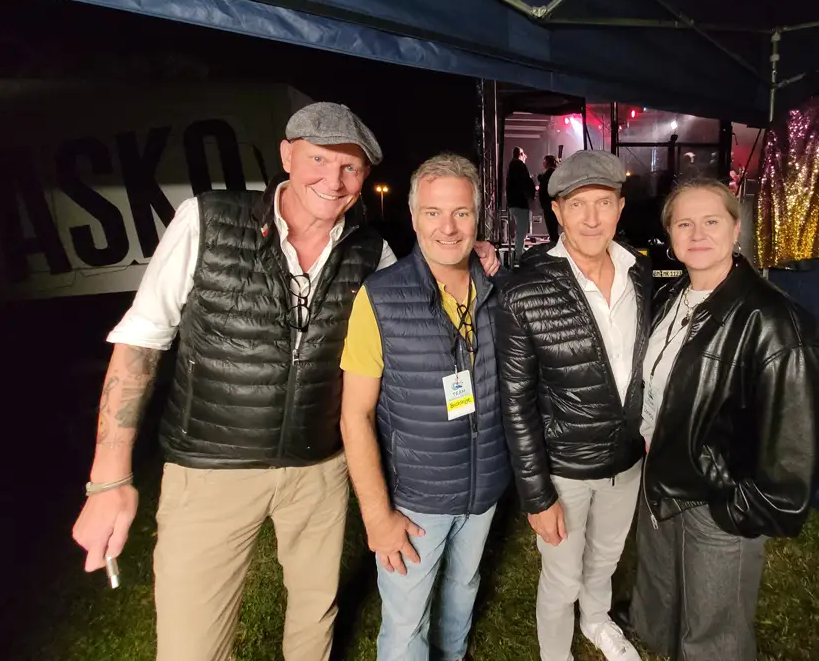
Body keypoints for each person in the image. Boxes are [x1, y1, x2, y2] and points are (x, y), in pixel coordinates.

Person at [70, 103, 499, 661]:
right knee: (191, 642)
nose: (333, 180)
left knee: (313, 621)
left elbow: (423, 284)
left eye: (350, 167)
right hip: (211, 468)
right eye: (319, 159)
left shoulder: (372, 252)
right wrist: (109, 478)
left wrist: (475, 257)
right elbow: (141, 341)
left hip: (318, 470)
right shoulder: (207, 220)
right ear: (287, 155)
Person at [627, 179, 819, 661]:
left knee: (715, 629)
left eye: (711, 221)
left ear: (736, 227)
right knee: (667, 598)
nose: (697, 234)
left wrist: (743, 508)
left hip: (718, 495)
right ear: (669, 234)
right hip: (663, 474)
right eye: (684, 223)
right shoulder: (671, 297)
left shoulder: (773, 320)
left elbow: (803, 437)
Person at [340, 153, 511, 661]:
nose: (448, 227)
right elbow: (355, 415)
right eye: (433, 212)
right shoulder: (380, 298)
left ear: (478, 217)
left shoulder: (498, 290)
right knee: (406, 620)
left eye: (461, 212)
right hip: (415, 501)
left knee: (463, 587)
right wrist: (378, 516)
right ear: (413, 217)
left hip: (482, 489)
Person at [496, 151, 651, 661]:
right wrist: (537, 496)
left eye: (603, 202)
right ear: (557, 212)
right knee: (562, 578)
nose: (591, 218)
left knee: (605, 560)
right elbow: (516, 402)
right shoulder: (525, 287)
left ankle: (597, 621)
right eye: (577, 204)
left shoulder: (639, 273)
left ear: (620, 207)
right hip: (564, 470)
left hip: (625, 462)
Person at [506, 146, 536, 261]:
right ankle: (519, 255)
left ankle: (519, 251)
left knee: (520, 229)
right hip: (520, 203)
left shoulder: (511, 166)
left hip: (513, 202)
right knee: (522, 230)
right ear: (520, 154)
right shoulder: (519, 165)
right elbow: (525, 183)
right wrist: (530, 196)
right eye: (523, 154)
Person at [538, 153, 559, 242]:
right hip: (551, 204)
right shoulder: (554, 173)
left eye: (544, 161)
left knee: (552, 229)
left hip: (549, 205)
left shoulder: (550, 172)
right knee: (553, 229)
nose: (543, 163)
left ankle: (555, 245)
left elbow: (545, 183)